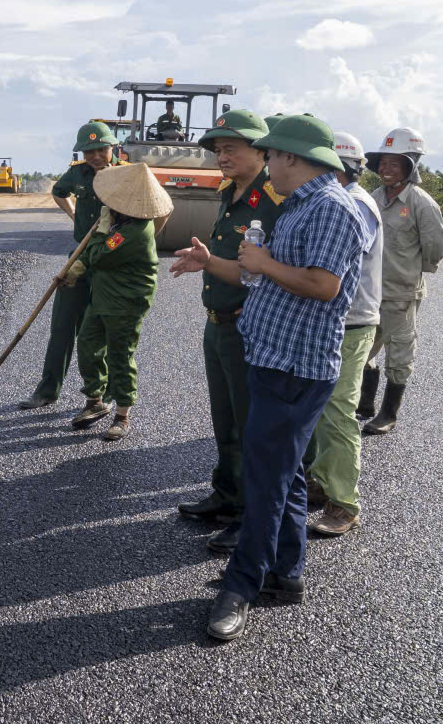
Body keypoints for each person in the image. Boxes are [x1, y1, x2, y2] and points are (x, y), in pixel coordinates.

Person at [194, 115, 369, 641]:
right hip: (274, 358)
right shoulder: (299, 205)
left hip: (295, 367)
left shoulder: (332, 208)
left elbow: (324, 285)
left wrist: (265, 263)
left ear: (292, 156)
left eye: (270, 155)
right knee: (286, 475)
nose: (266, 163)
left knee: (266, 482)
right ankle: (285, 574)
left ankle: (241, 585)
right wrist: (243, 264)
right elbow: (270, 274)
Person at [169, 109, 285, 554]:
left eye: (231, 148)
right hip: (217, 324)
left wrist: (208, 262)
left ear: (261, 151)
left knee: (253, 425)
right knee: (226, 421)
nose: (222, 156)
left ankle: (252, 517)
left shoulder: (273, 200)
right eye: (218, 150)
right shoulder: (229, 192)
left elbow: (262, 271)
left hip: (247, 328)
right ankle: (228, 495)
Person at [302, 131, 383, 537]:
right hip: (335, 317)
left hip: (352, 321)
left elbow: (334, 262)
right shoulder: (338, 199)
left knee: (337, 410)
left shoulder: (354, 205)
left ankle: (345, 503)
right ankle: (322, 479)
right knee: (320, 405)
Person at [62, 163, 173, 438]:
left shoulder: (134, 230)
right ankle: (95, 400)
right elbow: (93, 253)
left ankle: (122, 415)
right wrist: (77, 266)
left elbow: (98, 254)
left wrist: (101, 229)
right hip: (103, 294)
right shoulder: (119, 220)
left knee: (120, 355)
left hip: (126, 301)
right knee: (88, 344)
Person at [18, 120, 116, 411]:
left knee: (106, 330)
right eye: (89, 151)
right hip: (79, 258)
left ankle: (107, 394)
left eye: (101, 149)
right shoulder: (76, 174)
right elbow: (59, 191)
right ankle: (48, 390)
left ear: (113, 147)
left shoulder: (126, 173)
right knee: (62, 325)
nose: (95, 156)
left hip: (110, 263)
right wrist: (74, 216)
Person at [358, 128, 443, 436]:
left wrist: (409, 271)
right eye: (382, 162)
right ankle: (365, 404)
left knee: (399, 354)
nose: (386, 168)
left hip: (401, 294)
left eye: (394, 163)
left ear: (410, 166)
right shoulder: (373, 198)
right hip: (369, 292)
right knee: (362, 347)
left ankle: (388, 414)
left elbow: (436, 247)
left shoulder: (422, 203)